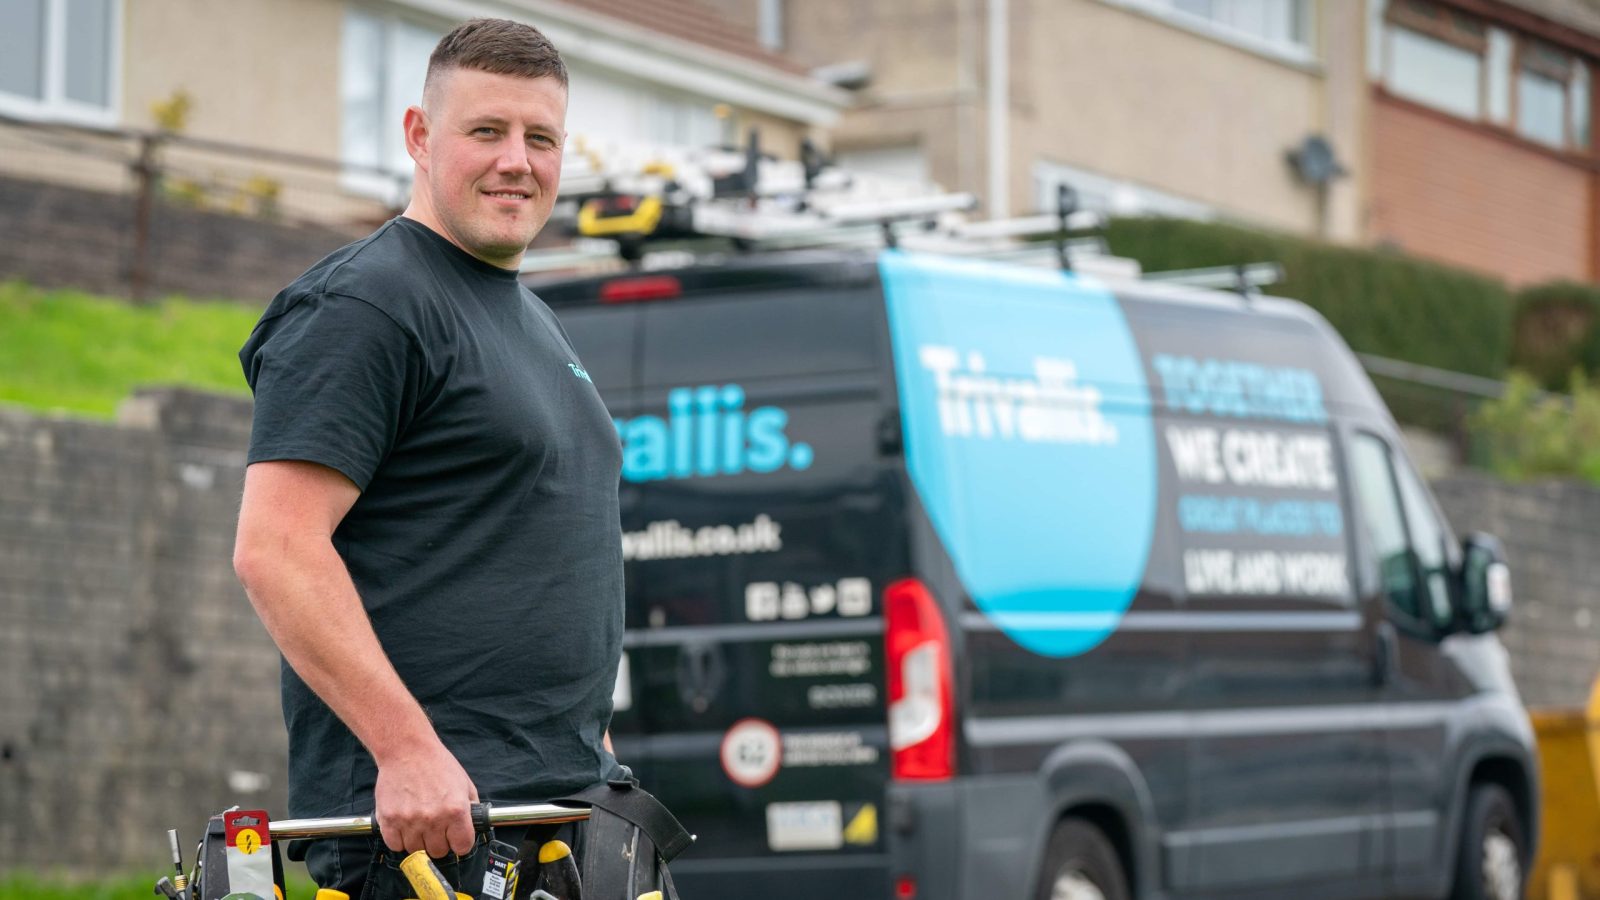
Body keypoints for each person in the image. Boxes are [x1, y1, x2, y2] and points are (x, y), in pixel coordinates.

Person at [232, 18, 623, 899]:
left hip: (556, 824)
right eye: (487, 131)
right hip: (427, 835)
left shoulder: (531, 317)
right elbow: (277, 549)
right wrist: (404, 751)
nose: (516, 160)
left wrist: (593, 751)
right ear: (419, 134)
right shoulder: (367, 306)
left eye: (541, 138)